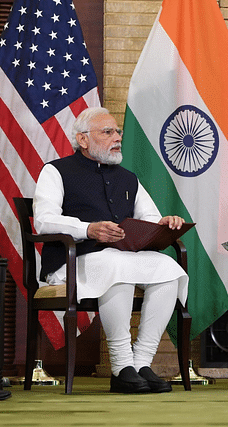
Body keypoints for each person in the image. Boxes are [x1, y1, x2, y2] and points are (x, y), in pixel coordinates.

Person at [33, 107, 189, 394]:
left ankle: (141, 363)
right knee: (116, 265)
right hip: (73, 260)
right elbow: (43, 220)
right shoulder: (56, 171)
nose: (117, 137)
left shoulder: (128, 178)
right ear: (82, 139)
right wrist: (88, 229)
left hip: (119, 257)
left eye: (118, 132)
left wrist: (164, 223)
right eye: (108, 132)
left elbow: (149, 217)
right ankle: (121, 366)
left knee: (170, 270)